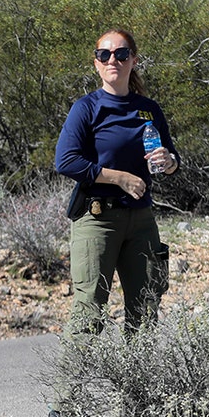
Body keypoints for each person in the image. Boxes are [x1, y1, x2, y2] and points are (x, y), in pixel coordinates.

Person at [55, 27, 180, 337]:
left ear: (133, 60)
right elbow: (66, 161)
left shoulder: (149, 110)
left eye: (121, 54)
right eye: (104, 54)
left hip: (141, 221)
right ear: (96, 63)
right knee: (89, 313)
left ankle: (138, 386)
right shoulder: (87, 108)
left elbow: (172, 159)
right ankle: (69, 387)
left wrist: (170, 162)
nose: (113, 60)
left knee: (146, 310)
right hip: (97, 219)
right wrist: (118, 178)